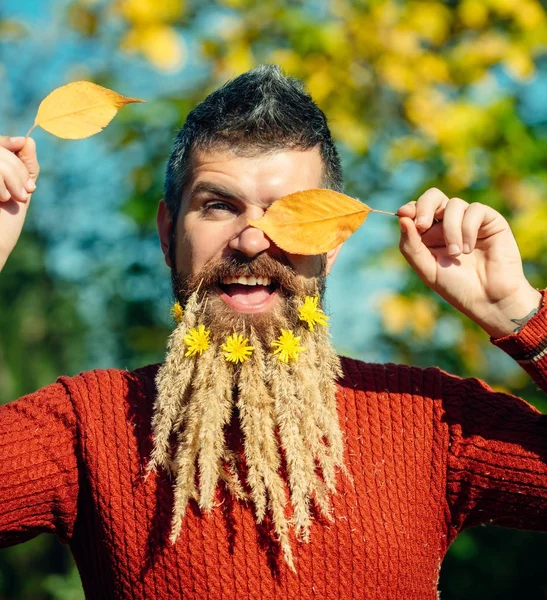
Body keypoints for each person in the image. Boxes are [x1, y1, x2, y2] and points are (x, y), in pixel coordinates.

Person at [0, 65, 545, 600]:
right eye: (218, 206)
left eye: (291, 213)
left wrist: (518, 314)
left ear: (333, 244)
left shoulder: (431, 418)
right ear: (169, 234)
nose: (253, 241)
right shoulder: (86, 426)